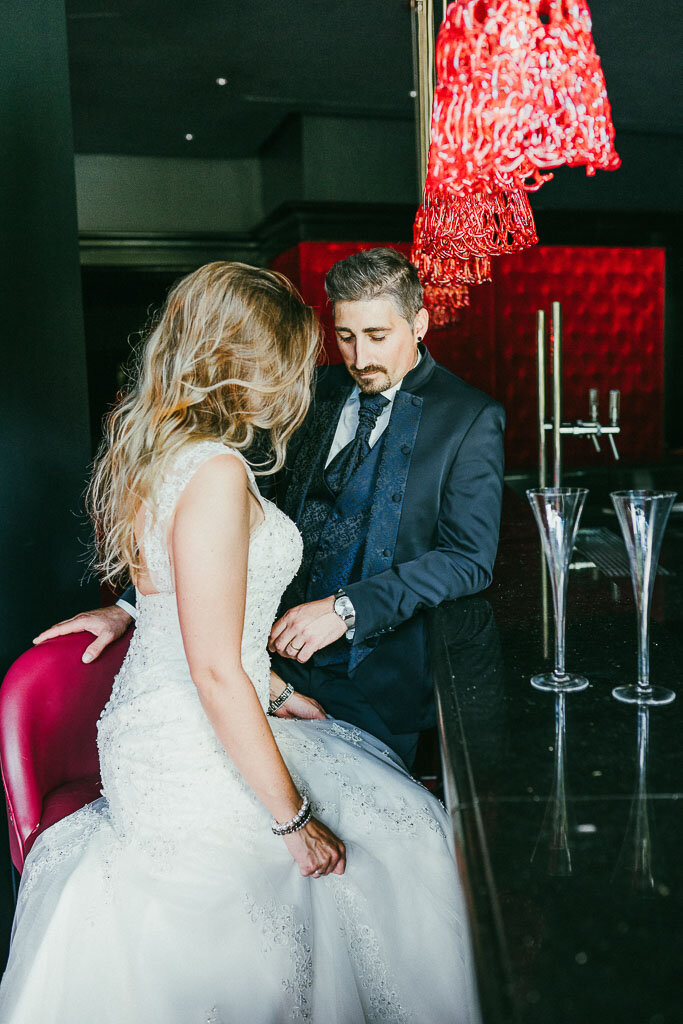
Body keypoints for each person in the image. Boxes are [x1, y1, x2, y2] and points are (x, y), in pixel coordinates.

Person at [1, 262, 477, 1023]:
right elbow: (216, 668)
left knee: (399, 821)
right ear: (248, 364)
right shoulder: (217, 470)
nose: (304, 381)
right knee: (402, 843)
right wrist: (292, 821)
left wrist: (275, 688)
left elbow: (188, 596)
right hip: (195, 729)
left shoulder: (160, 452)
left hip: (181, 714)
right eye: (296, 359)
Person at [37, 248, 505, 770]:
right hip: (263, 667)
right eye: (345, 336)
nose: (359, 356)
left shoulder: (470, 418)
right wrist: (130, 606)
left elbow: (468, 559)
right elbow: (217, 517)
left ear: (418, 323)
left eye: (377, 336)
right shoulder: (308, 391)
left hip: (377, 680)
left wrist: (345, 609)